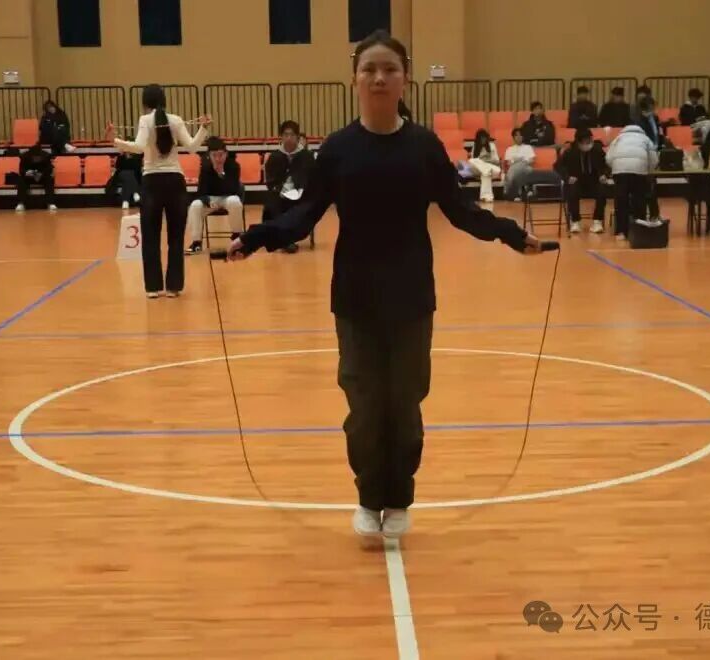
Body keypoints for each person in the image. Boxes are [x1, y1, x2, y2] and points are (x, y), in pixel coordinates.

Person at [225, 30, 544, 541]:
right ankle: (369, 496)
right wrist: (257, 237)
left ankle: (398, 498)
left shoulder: (423, 146)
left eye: (389, 69)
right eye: (369, 69)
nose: (379, 77)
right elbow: (304, 214)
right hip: (354, 296)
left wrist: (509, 233)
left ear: (405, 79)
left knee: (405, 402)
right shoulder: (337, 149)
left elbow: (460, 210)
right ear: (355, 79)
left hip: (412, 294)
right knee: (365, 405)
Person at [112, 83, 209, 297]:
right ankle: (173, 287)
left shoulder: (144, 120)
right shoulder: (176, 119)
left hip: (152, 182)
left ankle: (153, 288)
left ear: (145, 102)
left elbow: (138, 148)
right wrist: (203, 128)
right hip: (175, 181)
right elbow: (192, 147)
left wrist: (115, 140)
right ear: (163, 100)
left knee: (150, 236)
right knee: (176, 237)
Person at [263, 120, 316, 253]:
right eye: (285, 135)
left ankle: (287, 239)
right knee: (273, 202)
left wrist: (299, 190)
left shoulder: (306, 156)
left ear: (297, 137)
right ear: (281, 137)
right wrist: (281, 190)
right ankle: (283, 238)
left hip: (301, 194)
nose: (288, 138)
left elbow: (312, 178)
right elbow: (270, 181)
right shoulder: (275, 157)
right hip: (280, 194)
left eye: (292, 135)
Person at [187, 136, 243, 253]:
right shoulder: (205, 167)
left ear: (226, 154)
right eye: (214, 155)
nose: (218, 159)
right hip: (211, 199)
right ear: (209, 155)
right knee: (195, 205)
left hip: (228, 197)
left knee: (235, 202)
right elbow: (201, 191)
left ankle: (237, 237)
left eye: (221, 155)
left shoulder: (234, 166)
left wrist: (221, 173)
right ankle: (196, 242)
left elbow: (233, 189)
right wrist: (208, 202)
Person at [606, 124, 658, 241]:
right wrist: (648, 170)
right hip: (639, 171)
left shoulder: (618, 138)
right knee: (639, 200)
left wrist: (615, 168)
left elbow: (608, 158)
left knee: (621, 202)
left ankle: (621, 232)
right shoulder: (645, 139)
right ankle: (639, 230)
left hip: (620, 172)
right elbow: (654, 159)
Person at [555, 128, 608, 234]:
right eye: (584, 141)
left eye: (589, 140)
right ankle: (575, 221)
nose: (587, 143)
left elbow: (606, 165)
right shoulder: (569, 152)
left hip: (593, 181)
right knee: (572, 190)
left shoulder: (597, 150)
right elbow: (558, 166)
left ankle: (597, 221)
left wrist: (604, 175)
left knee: (602, 190)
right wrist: (567, 177)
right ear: (578, 142)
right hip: (576, 181)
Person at [15, 144, 57, 212]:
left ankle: (51, 203)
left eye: (37, 157)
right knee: (21, 180)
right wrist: (27, 172)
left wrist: (41, 174)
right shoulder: (24, 156)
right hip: (29, 177)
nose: (36, 158)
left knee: (50, 180)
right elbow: (21, 170)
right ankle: (21, 203)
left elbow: (49, 169)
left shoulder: (46, 156)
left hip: (42, 176)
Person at [468, 129, 501, 202]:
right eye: (481, 138)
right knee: (472, 162)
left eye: (484, 138)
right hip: (479, 169)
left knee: (486, 172)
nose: (483, 140)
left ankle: (486, 196)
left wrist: (486, 161)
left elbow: (497, 162)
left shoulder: (492, 146)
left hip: (492, 169)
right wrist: (481, 161)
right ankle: (486, 197)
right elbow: (474, 162)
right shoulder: (475, 146)